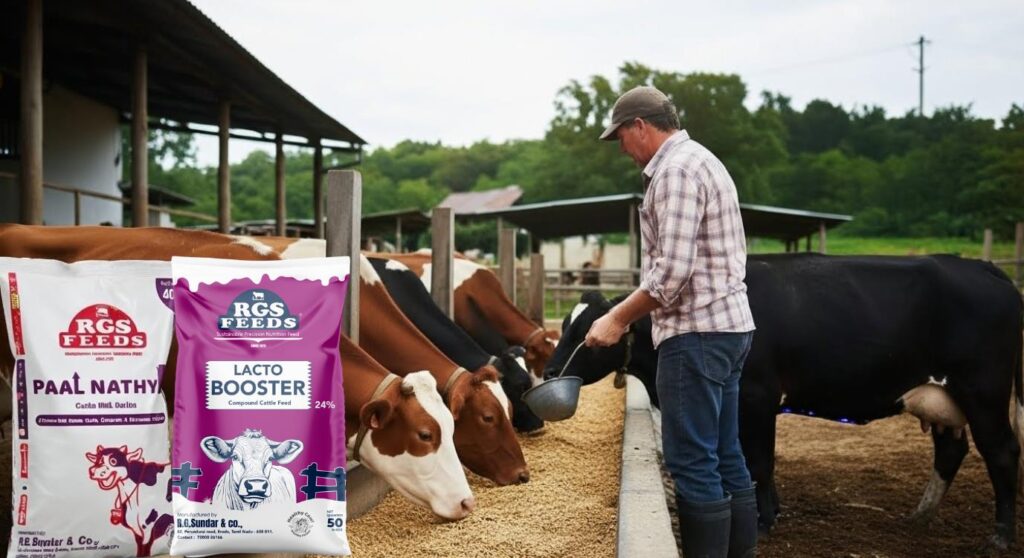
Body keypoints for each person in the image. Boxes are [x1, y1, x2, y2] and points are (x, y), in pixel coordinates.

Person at [586, 86, 757, 558]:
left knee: (692, 461)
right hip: (729, 326)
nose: (621, 147)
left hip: (697, 332)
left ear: (640, 125)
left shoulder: (675, 171)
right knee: (725, 454)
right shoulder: (701, 159)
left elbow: (673, 272)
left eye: (621, 135)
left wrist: (616, 319)